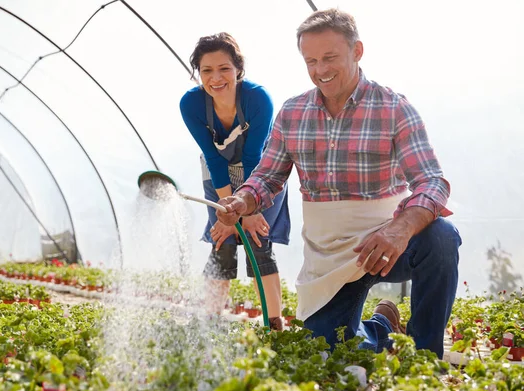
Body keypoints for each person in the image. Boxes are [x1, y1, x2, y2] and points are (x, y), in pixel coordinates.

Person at [215, 9, 461, 358]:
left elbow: (432, 182)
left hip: (387, 243)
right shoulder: (292, 113)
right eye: (311, 60)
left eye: (330, 57)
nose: (320, 70)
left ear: (357, 51)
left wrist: (399, 229)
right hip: (328, 253)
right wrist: (242, 201)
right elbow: (268, 178)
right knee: (331, 351)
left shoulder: (393, 108)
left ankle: (424, 354)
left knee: (441, 238)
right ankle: (383, 327)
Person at [179, 33, 291, 330]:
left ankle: (273, 324)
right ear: (198, 74)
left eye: (224, 69)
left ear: (238, 70)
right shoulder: (191, 104)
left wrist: (249, 210)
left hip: (261, 175)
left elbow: (255, 158)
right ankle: (209, 321)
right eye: (207, 71)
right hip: (219, 176)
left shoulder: (257, 99)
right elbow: (213, 159)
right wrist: (229, 214)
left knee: (257, 241)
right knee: (223, 241)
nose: (216, 78)